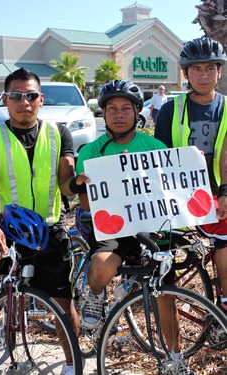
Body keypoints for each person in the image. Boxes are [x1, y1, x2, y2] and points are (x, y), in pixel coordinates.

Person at [75, 79, 195, 373]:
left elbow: (171, 189)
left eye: (125, 108)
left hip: (152, 226)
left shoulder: (154, 146)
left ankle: (176, 359)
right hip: (114, 229)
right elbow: (88, 205)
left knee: (164, 292)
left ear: (137, 112)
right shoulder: (91, 151)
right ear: (103, 114)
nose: (118, 114)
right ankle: (97, 294)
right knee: (102, 267)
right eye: (112, 109)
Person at [0, 67, 84, 375]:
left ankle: (70, 365)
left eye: (30, 96)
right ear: (5, 99)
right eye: (15, 96)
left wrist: (76, 185)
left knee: (65, 305)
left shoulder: (59, 133)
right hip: (4, 228)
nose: (23, 102)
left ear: (40, 99)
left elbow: (65, 183)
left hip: (48, 229)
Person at [155, 36, 227, 316]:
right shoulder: (170, 110)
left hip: (218, 192)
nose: (204, 75)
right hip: (181, 195)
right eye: (196, 69)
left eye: (210, 68)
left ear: (219, 71)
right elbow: (158, 157)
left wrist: (224, 193)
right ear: (186, 73)